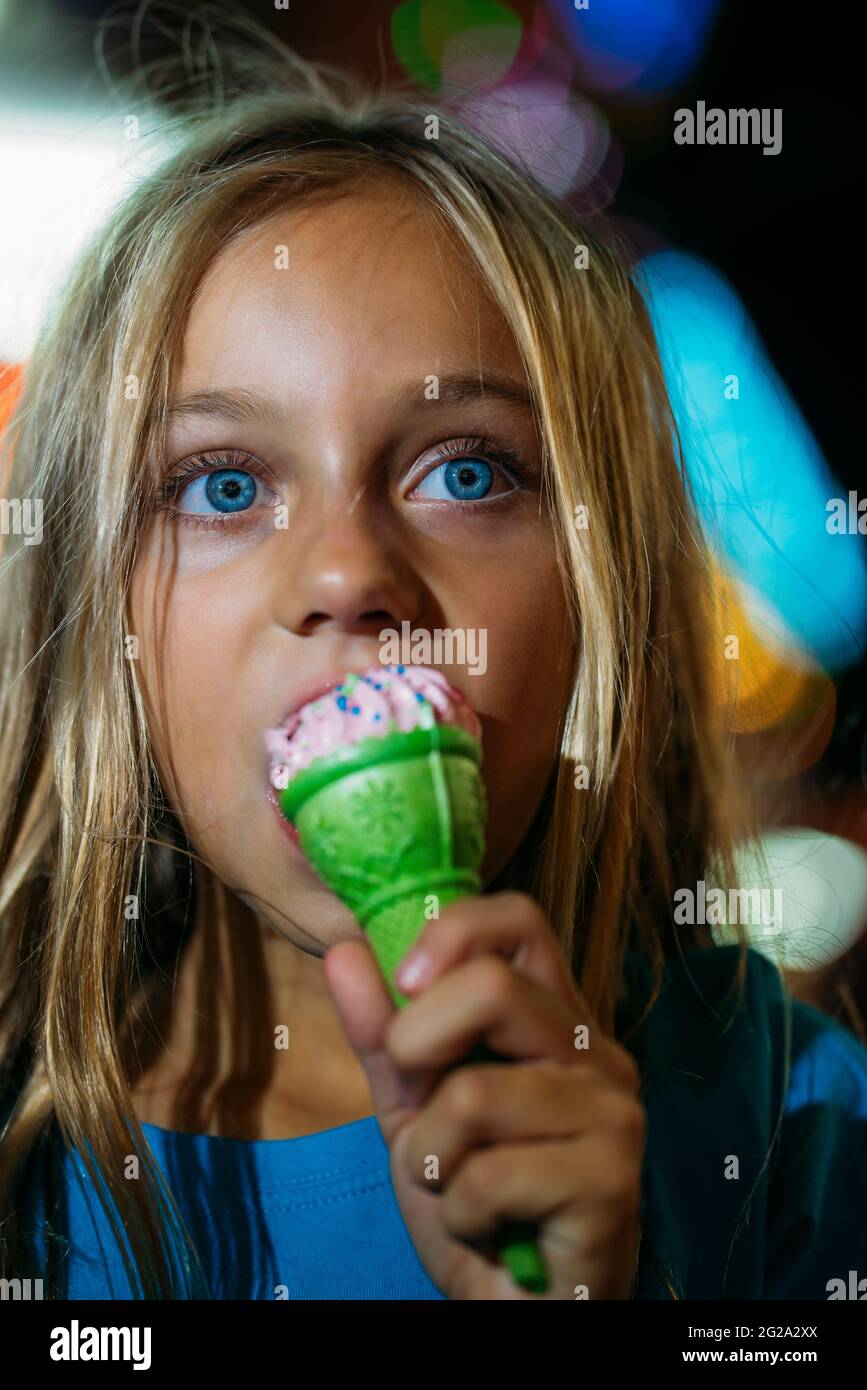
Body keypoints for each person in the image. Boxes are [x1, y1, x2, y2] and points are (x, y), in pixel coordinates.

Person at [1, 37, 865, 1301]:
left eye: (467, 471)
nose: (348, 573)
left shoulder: (798, 1134)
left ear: (600, 583)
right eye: (224, 486)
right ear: (94, 601)